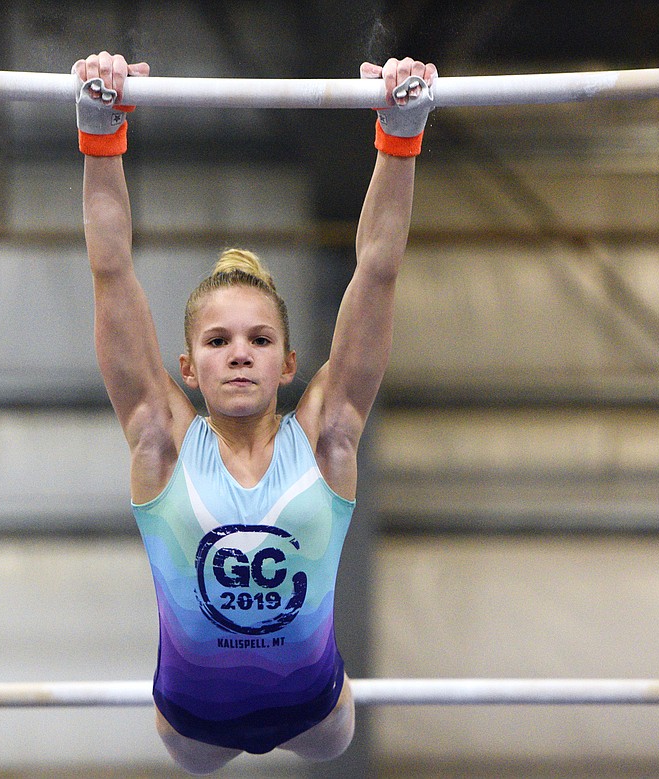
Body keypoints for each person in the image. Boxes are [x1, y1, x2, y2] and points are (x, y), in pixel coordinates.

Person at [73, 50, 437, 774]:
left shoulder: (328, 434)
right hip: (192, 725)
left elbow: (378, 269)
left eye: (260, 339)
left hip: (317, 712)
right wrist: (100, 131)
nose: (239, 353)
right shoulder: (160, 438)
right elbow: (111, 269)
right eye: (218, 340)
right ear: (188, 368)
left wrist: (400, 136)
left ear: (288, 364)